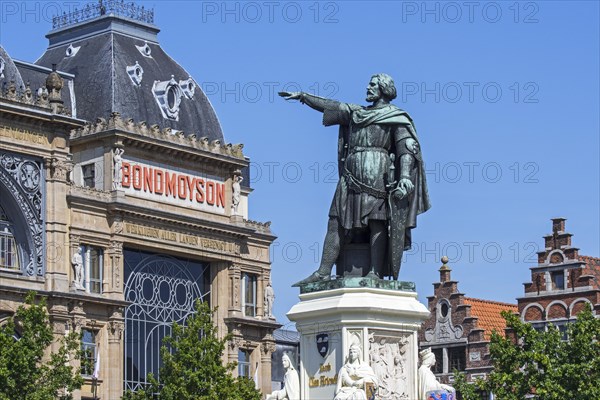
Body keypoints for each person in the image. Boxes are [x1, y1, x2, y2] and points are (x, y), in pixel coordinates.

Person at [280, 74, 430, 284]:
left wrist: (404, 176)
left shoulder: (396, 117)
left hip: (379, 173)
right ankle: (323, 271)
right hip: (350, 178)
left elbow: (407, 149)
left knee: (377, 223)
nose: (368, 87)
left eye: (373, 85)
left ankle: (375, 273)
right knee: (336, 221)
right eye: (369, 84)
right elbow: (331, 106)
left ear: (384, 89)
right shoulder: (357, 113)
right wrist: (304, 97)